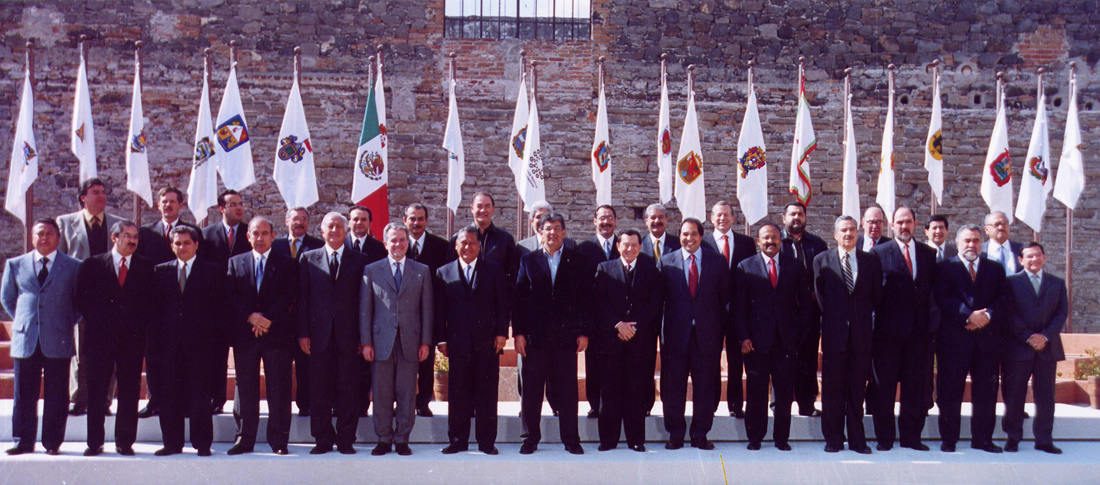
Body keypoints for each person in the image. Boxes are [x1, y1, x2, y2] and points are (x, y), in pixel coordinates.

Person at [74, 221, 154, 456]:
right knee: (96, 392)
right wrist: (102, 322)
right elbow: (81, 300)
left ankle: (124, 442)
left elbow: (152, 302)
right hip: (100, 339)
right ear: (114, 237)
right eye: (127, 235)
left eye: (135, 236)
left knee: (129, 391)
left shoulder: (146, 267)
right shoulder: (93, 265)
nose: (132, 240)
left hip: (132, 340)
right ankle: (94, 442)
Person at [2, 218, 81, 455]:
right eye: (39, 234)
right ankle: (22, 441)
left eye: (49, 233)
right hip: (26, 338)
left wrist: (62, 322)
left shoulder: (73, 266)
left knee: (57, 394)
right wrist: (27, 320)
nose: (43, 238)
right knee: (24, 393)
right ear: (31, 237)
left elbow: (79, 303)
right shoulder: (15, 264)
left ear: (58, 238)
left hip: (58, 337)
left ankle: (52, 443)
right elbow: (7, 298)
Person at [513, 212, 589, 455]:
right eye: (548, 228)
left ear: (564, 232)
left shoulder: (577, 260)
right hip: (535, 339)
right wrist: (519, 333)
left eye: (557, 228)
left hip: (565, 338)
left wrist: (583, 332)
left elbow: (583, 300)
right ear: (540, 232)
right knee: (532, 392)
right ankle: (530, 438)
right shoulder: (528, 260)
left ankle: (571, 439)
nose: (553, 233)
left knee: (567, 391)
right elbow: (519, 300)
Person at [226, 217, 299, 456]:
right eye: (255, 233)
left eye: (264, 233)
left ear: (273, 236)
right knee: (245, 387)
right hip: (246, 335)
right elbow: (231, 296)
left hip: (276, 334)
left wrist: (267, 319)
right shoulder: (235, 263)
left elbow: (289, 295)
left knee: (279, 387)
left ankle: (279, 441)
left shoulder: (287, 263)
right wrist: (251, 317)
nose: (260, 238)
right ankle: (244, 439)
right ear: (248, 237)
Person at [298, 213, 369, 455]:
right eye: (330, 226)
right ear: (322, 230)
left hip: (349, 336)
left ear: (346, 230)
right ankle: (322, 439)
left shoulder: (359, 260)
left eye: (340, 226)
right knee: (319, 389)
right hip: (318, 336)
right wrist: (303, 333)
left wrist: (362, 337)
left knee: (348, 389)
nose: (335, 230)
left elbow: (363, 301)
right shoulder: (308, 258)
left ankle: (346, 439)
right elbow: (303, 299)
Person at [434, 225, 510, 455]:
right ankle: (458, 440)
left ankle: (486, 442)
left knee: (486, 393)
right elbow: (439, 310)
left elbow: (502, 305)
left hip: (487, 343)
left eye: (472, 243)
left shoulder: (494, 270)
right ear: (456, 246)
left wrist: (501, 334)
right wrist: (441, 340)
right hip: (457, 344)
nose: (467, 247)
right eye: (463, 243)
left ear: (479, 246)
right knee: (458, 393)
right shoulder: (443, 272)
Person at [934, 224, 1009, 453]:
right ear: (957, 243)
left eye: (976, 240)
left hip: (987, 341)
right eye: (966, 240)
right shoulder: (945, 267)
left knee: (986, 392)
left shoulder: (995, 268)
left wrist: (987, 316)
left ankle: (983, 440)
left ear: (981, 243)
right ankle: (949, 439)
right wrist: (968, 316)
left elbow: (1003, 298)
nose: (971, 245)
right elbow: (943, 298)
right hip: (954, 341)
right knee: (949, 391)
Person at [361, 223, 434, 457]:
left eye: (402, 240)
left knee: (407, 393)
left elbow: (427, 310)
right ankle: (383, 438)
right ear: (385, 244)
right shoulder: (372, 270)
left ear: (408, 243)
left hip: (410, 341)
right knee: (381, 393)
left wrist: (425, 341)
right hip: (380, 342)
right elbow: (365, 309)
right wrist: (366, 342)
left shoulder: (421, 271)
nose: (398, 244)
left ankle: (402, 438)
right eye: (393, 240)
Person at [151, 225, 224, 457]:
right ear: (172, 246)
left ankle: (202, 443)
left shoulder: (212, 271)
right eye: (177, 243)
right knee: (169, 395)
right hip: (169, 345)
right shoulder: (161, 271)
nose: (182, 247)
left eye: (186, 243)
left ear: (196, 245)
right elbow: (156, 310)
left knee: (200, 395)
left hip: (201, 345)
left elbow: (218, 310)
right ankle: (172, 443)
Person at [737, 223, 810, 451]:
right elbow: (739, 307)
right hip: (756, 342)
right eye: (766, 238)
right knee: (756, 392)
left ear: (781, 240)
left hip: (786, 341)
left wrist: (799, 335)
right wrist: (744, 337)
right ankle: (755, 437)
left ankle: (781, 439)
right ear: (758, 241)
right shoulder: (745, 267)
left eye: (775, 238)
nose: (770, 242)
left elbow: (805, 304)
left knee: (785, 392)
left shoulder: (795, 266)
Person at [813, 215, 882, 454]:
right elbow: (820, 296)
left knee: (856, 389)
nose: (848, 233)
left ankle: (857, 440)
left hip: (861, 337)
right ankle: (833, 439)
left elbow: (876, 296)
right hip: (834, 335)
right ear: (835, 235)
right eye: (843, 230)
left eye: (852, 229)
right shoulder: (822, 260)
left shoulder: (870, 261)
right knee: (832, 390)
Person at [659, 218, 729, 451]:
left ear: (701, 236)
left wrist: (720, 332)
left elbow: (724, 300)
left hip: (707, 336)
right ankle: (675, 434)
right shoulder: (666, 261)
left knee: (705, 387)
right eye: (684, 234)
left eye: (693, 234)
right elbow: (659, 301)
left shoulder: (717, 261)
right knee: (674, 388)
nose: (688, 238)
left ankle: (700, 434)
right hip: (675, 336)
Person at [869, 207, 936, 451]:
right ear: (892, 225)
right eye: (899, 222)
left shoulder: (928, 254)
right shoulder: (879, 253)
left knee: (914, 388)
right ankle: (884, 438)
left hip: (918, 334)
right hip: (887, 334)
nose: (904, 226)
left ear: (915, 223)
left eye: (908, 221)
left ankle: (911, 438)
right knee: (884, 388)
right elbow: (873, 293)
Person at [56, 178, 124, 417]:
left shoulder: (118, 224)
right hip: (80, 297)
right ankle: (78, 399)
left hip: (111, 299)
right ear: (83, 198)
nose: (102, 196)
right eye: (96, 192)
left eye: (104, 192)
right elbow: (61, 261)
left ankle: (104, 401)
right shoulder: (65, 223)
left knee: (110, 353)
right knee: (80, 350)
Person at [592, 229, 663, 452]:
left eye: (634, 245)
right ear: (618, 246)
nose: (629, 249)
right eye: (625, 244)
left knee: (636, 390)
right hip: (611, 340)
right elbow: (599, 302)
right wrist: (618, 325)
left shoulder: (651, 271)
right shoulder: (605, 269)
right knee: (610, 391)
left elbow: (655, 304)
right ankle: (608, 440)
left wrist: (634, 327)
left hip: (639, 341)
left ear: (640, 247)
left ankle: (636, 439)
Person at [135, 187, 200, 418]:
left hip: (183, 302)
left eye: (173, 201)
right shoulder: (145, 233)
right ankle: (155, 401)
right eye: (164, 201)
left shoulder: (192, 232)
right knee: (154, 356)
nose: (168, 205)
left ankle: (184, 403)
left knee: (183, 357)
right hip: (155, 303)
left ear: (180, 205)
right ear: (158, 205)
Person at [1002, 242, 1067, 454]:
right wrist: (1028, 337)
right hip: (1018, 348)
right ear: (1021, 260)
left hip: (1047, 349)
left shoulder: (1057, 283)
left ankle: (1044, 440)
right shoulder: (1011, 282)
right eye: (1029, 256)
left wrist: (1044, 336)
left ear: (1044, 257)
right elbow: (1008, 313)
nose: (1034, 259)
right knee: (1014, 395)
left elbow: (1061, 314)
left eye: (1038, 255)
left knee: (1046, 396)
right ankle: (1013, 438)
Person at [700, 201, 755, 418]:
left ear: (733, 218)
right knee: (711, 358)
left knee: (736, 359)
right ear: (711, 219)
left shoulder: (746, 243)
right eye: (718, 215)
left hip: (738, 310)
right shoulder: (702, 242)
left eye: (726, 215)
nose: (722, 218)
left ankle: (735, 404)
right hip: (711, 310)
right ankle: (712, 404)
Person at [199, 189, 252, 415]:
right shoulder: (206, 235)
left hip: (243, 305)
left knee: (245, 358)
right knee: (215, 356)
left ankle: (244, 405)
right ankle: (216, 400)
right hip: (215, 307)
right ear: (222, 208)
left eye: (240, 204)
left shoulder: (251, 233)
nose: (239, 208)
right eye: (233, 204)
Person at [403, 202, 452, 418]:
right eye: (412, 219)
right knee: (402, 362)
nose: (416, 223)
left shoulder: (441, 246)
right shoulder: (398, 243)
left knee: (426, 360)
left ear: (427, 221)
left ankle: (423, 402)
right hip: (403, 313)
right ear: (405, 221)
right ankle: (402, 403)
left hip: (428, 313)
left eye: (420, 219)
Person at [780, 201, 828, 417]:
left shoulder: (817, 244)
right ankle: (779, 404)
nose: (796, 217)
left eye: (800, 214)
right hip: (783, 311)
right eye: (792, 214)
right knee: (781, 359)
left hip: (809, 312)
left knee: (808, 358)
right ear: (784, 218)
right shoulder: (776, 241)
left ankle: (807, 404)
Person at [575, 204, 620, 419]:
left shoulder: (623, 245)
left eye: (610, 218)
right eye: (602, 218)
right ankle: (595, 405)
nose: (606, 222)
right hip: (593, 318)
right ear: (595, 221)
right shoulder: (584, 248)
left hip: (620, 317)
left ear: (616, 221)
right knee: (594, 364)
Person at [346, 204, 389, 417]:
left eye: (363, 219)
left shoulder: (379, 249)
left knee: (364, 365)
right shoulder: (339, 244)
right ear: (349, 222)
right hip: (344, 314)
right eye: (355, 219)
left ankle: (362, 407)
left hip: (370, 313)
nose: (359, 223)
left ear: (370, 223)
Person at [981, 211, 1024, 275]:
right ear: (986, 229)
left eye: (1004, 224)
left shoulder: (1021, 249)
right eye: (996, 224)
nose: (1001, 227)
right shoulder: (979, 251)